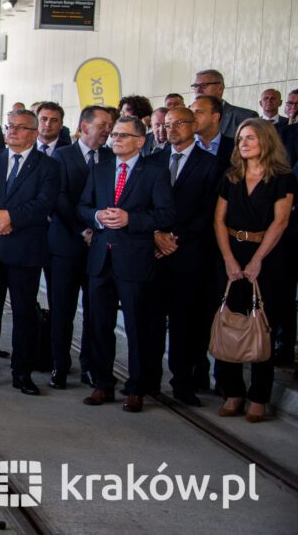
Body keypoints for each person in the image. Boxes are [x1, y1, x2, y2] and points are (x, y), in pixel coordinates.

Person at [78, 116, 175, 413]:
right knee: (99, 325)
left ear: (140, 141)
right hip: (100, 259)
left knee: (137, 327)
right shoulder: (101, 168)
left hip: (134, 260)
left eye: (123, 135)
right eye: (114, 134)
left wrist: (131, 219)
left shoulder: (154, 173)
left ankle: (136, 387)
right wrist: (97, 216)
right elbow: (82, 206)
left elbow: (166, 215)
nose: (116, 139)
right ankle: (102, 383)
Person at [0, 109, 59, 395]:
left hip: (24, 248)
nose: (13, 131)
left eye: (20, 127)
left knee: (24, 313)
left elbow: (44, 203)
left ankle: (22, 373)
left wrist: (11, 217)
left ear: (34, 133)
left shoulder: (48, 166)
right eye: (9, 126)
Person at [213, 118, 295, 422]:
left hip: (269, 257)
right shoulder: (231, 176)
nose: (243, 144)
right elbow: (218, 220)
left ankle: (259, 396)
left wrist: (257, 259)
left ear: (265, 140)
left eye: (249, 138)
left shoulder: (283, 178)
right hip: (232, 252)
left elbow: (281, 222)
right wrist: (228, 259)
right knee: (229, 321)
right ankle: (233, 392)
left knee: (263, 324)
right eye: (240, 139)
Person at [149, 106, 221, 405]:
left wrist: (174, 238)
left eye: (179, 122)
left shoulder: (211, 164)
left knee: (184, 323)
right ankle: (148, 381)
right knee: (150, 320)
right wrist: (156, 234)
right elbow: (141, 202)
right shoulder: (152, 160)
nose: (172, 128)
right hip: (153, 252)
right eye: (167, 124)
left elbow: (208, 211)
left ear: (194, 125)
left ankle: (182, 382)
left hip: (189, 254)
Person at [48, 106, 114, 389]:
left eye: (110, 125)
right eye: (103, 125)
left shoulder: (111, 157)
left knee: (96, 310)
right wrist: (83, 229)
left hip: (100, 248)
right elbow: (59, 198)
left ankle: (91, 366)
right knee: (62, 309)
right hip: (66, 245)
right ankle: (59, 365)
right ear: (85, 126)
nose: (108, 130)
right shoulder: (62, 156)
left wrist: (96, 230)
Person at [192, 69, 257, 137]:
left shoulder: (245, 117)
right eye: (195, 86)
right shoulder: (188, 117)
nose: (198, 90)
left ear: (220, 88)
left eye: (204, 85)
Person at [192, 95, 234, 173]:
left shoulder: (235, 147)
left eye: (199, 112)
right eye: (191, 112)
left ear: (215, 117)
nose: (192, 117)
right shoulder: (184, 146)